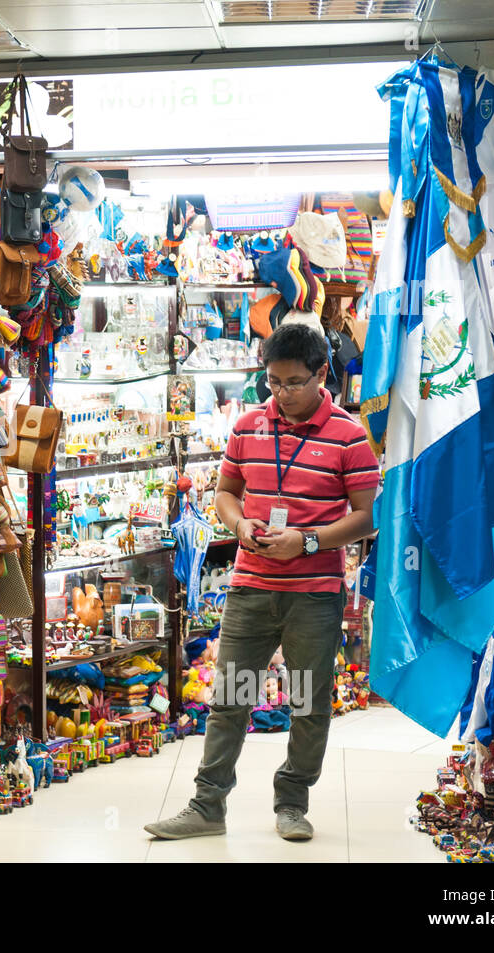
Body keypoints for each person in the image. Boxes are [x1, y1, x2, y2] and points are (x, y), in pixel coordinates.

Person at [145, 323, 379, 843]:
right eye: (272, 382)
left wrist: (310, 541)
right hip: (250, 586)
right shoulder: (249, 426)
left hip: (315, 593)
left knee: (309, 703)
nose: (281, 393)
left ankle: (292, 803)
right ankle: (207, 806)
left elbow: (367, 518)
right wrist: (239, 524)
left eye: (293, 382)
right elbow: (226, 493)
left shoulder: (349, 435)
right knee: (228, 696)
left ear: (322, 374)